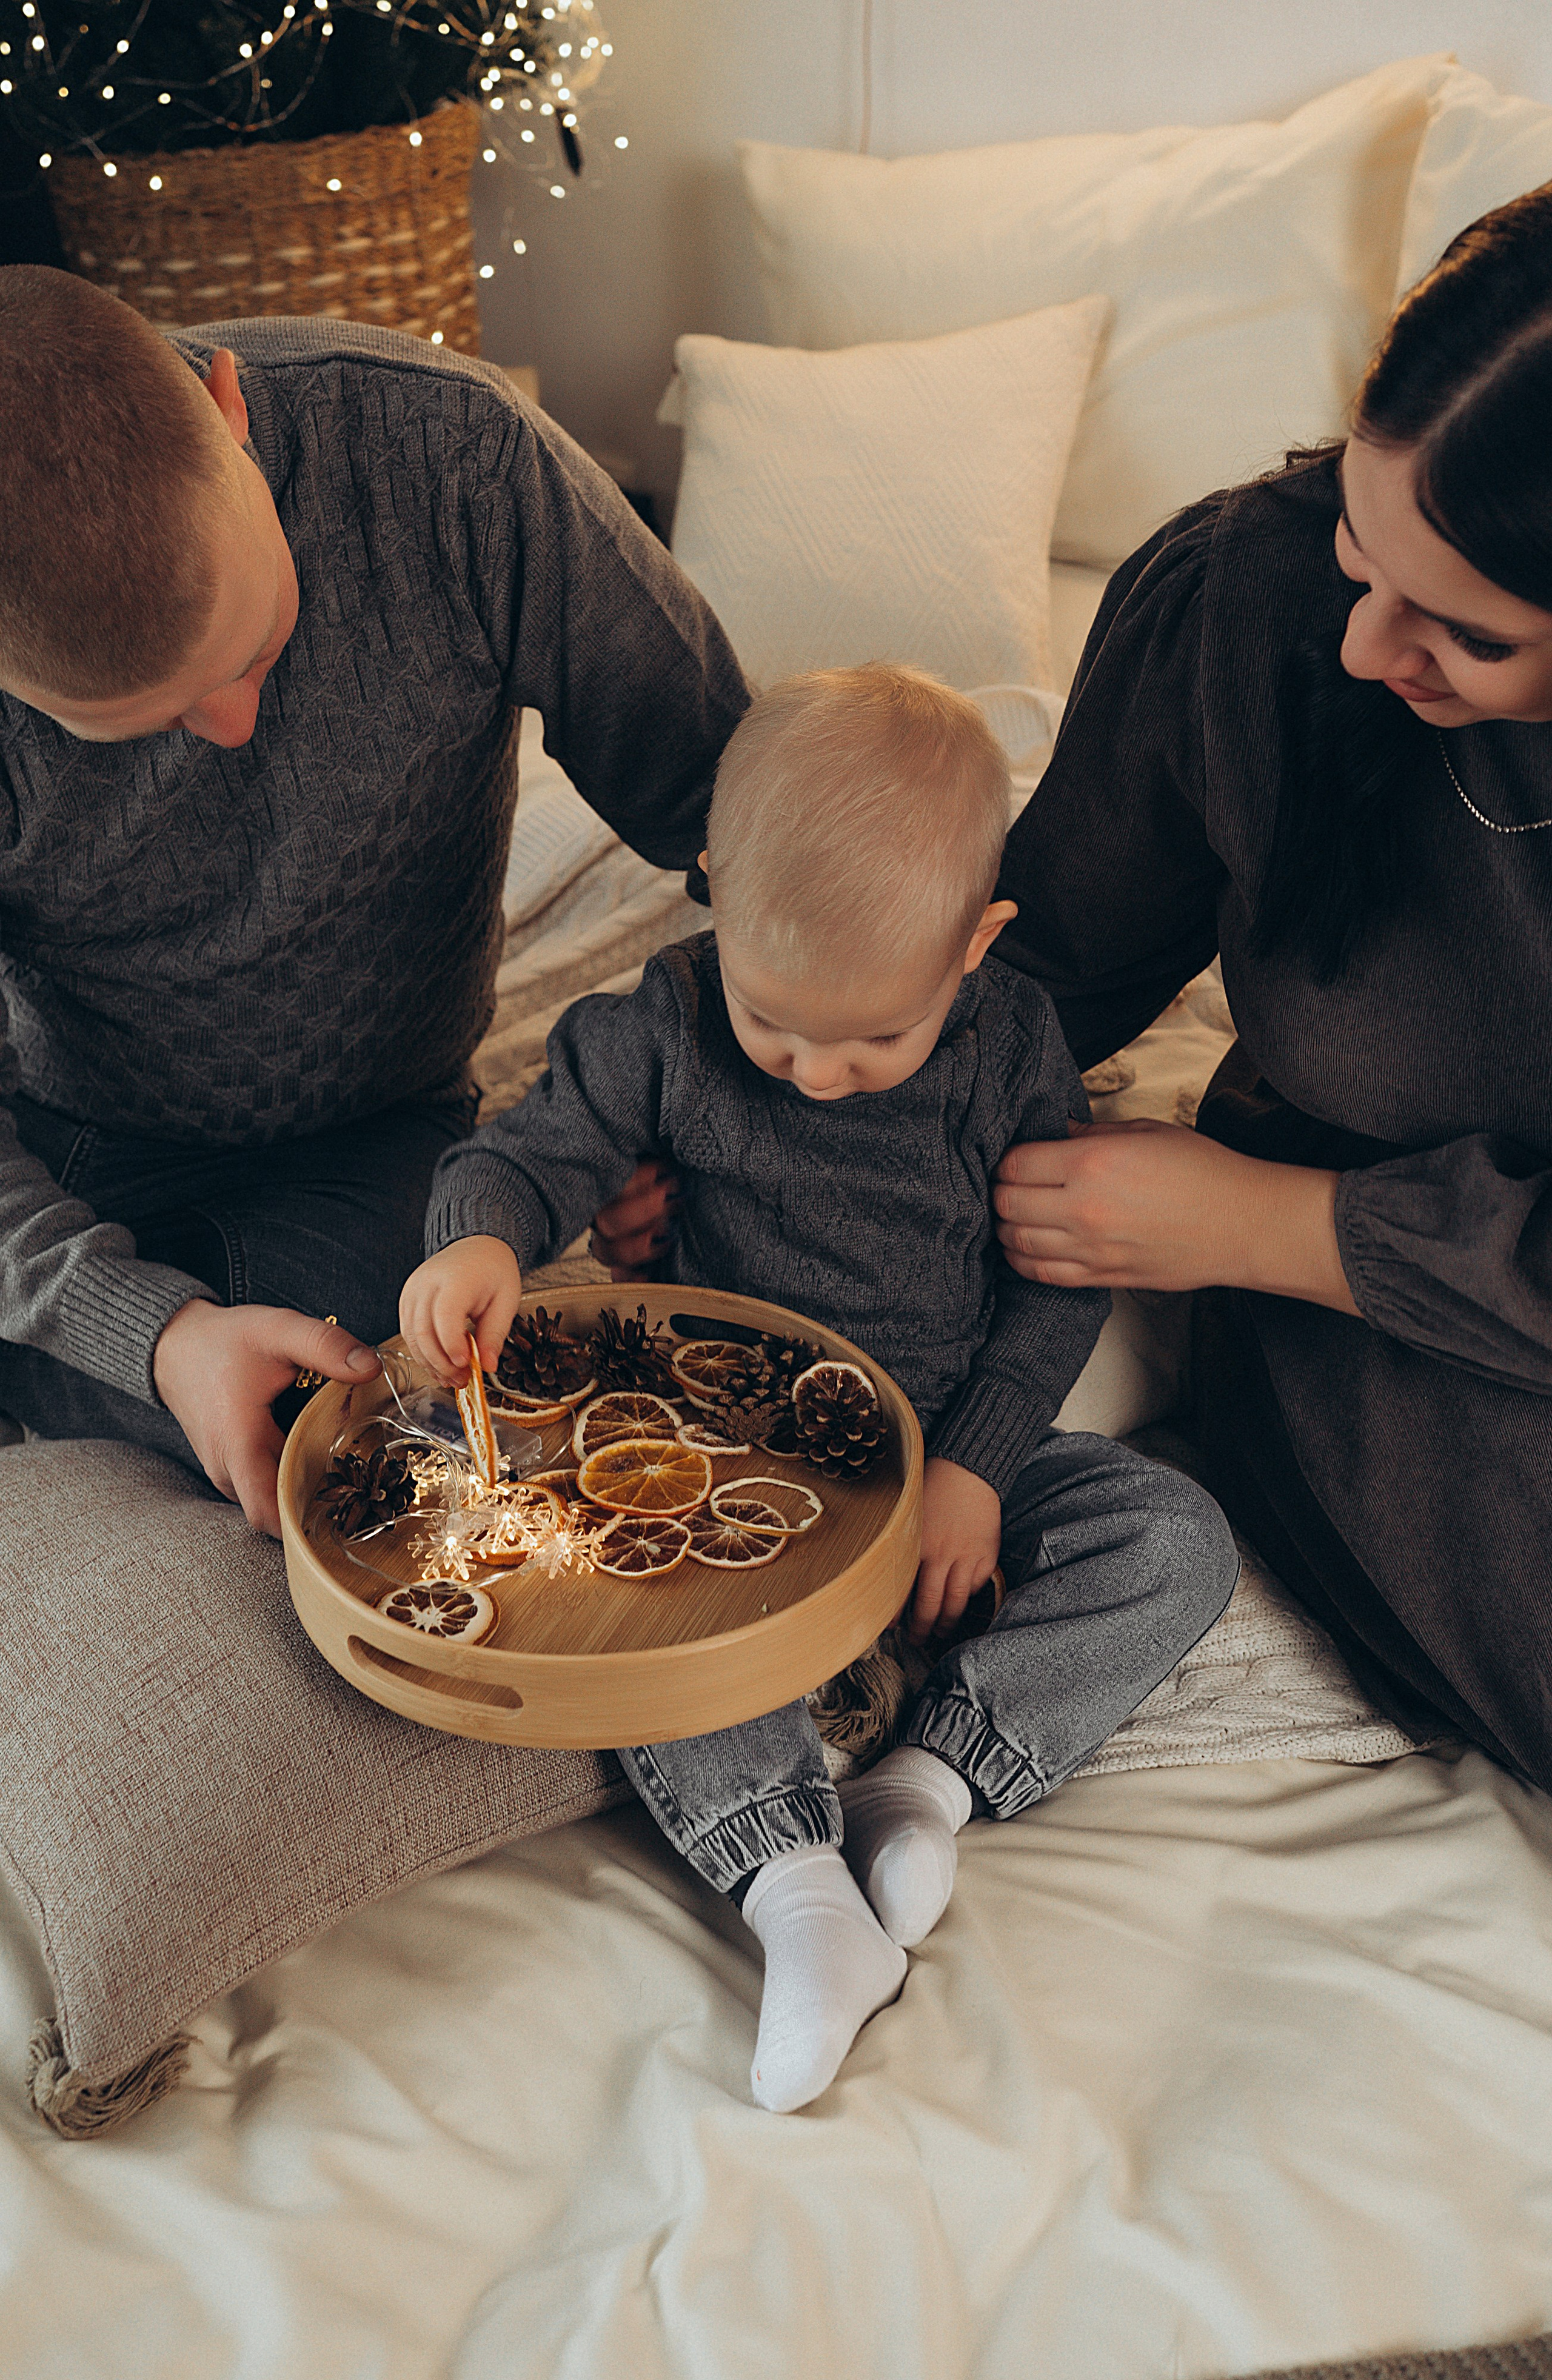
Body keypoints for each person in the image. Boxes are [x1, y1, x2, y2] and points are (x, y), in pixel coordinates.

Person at [400, 664, 1238, 2112]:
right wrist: (475, 1238)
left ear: (976, 946)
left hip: (938, 1447)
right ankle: (794, 1885)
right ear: (714, 891)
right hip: (722, 1447)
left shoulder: (1012, 1048)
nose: (818, 1074)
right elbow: (528, 1149)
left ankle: (930, 1779)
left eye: (872, 1042)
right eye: (777, 1029)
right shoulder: (663, 1022)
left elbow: (1055, 1285)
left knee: (1173, 1540)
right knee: (602, 1579)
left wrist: (973, 1469)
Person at [0, 267, 748, 1535]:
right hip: (74, 1142)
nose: (231, 732)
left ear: (228, 407)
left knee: (412, 1372)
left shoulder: (456, 460)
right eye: (146, 725)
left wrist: (700, 1106)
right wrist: (156, 1336)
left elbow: (735, 816)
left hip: (377, 1147)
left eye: (250, 652)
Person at [972, 184, 1552, 1793]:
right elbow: (1046, 963)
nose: (1369, 647)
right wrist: (767, 1083)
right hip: (1377, 1345)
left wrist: (1257, 1223)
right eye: (1367, 554)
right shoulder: (1257, 602)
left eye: (1470, 632)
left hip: (1312, 1244)